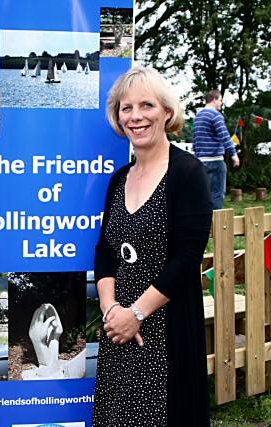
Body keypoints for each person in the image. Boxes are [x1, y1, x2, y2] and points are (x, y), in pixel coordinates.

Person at [93, 66, 212, 426]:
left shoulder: (187, 173)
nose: (136, 116)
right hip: (120, 331)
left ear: (166, 112)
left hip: (166, 328)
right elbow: (105, 252)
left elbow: (188, 258)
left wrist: (137, 314)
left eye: (146, 105)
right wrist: (112, 309)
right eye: (126, 108)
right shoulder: (118, 180)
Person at [193, 89, 240, 210]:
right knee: (217, 195)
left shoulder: (198, 116)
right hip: (215, 162)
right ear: (214, 100)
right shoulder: (215, 116)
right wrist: (234, 155)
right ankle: (216, 226)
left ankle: (202, 225)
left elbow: (195, 139)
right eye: (220, 101)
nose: (221, 104)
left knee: (202, 196)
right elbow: (224, 136)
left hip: (201, 161)